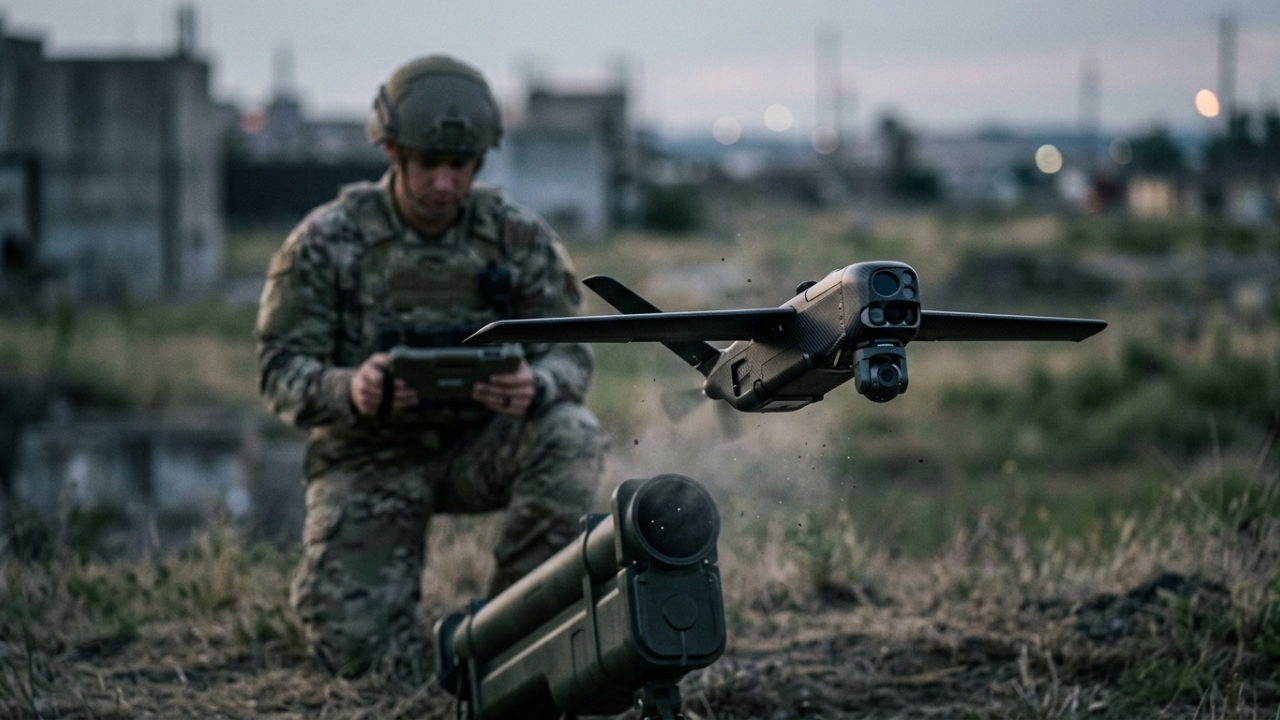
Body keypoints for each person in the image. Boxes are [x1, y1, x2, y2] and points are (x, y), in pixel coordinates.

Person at [254, 55, 606, 677]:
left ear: (481, 160)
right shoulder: (326, 242)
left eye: (460, 166)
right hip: (370, 455)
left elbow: (570, 350)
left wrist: (537, 384)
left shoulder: (517, 239)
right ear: (393, 151)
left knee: (572, 433)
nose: (445, 183)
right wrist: (348, 389)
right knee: (358, 659)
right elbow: (279, 368)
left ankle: (518, 631)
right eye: (429, 165)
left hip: (482, 447)